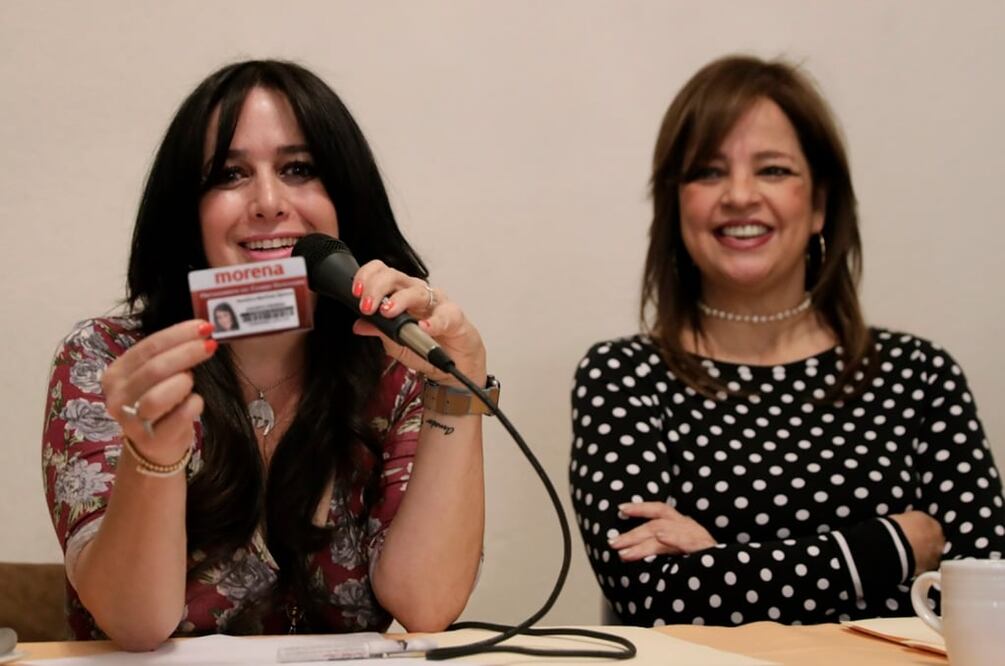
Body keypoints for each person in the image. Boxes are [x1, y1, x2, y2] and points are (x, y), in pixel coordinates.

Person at [42, 60, 489, 649]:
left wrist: (460, 385)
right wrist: (152, 456)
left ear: (345, 198)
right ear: (188, 209)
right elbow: (135, 623)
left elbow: (426, 605)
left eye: (299, 168)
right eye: (230, 174)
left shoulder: (394, 361)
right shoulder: (110, 359)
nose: (269, 202)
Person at [569, 55, 1005, 627]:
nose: (740, 195)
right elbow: (654, 595)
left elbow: (987, 590)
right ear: (676, 204)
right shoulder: (622, 376)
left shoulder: (919, 375)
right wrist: (894, 543)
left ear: (820, 203)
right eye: (707, 171)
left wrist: (718, 564)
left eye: (773, 170)